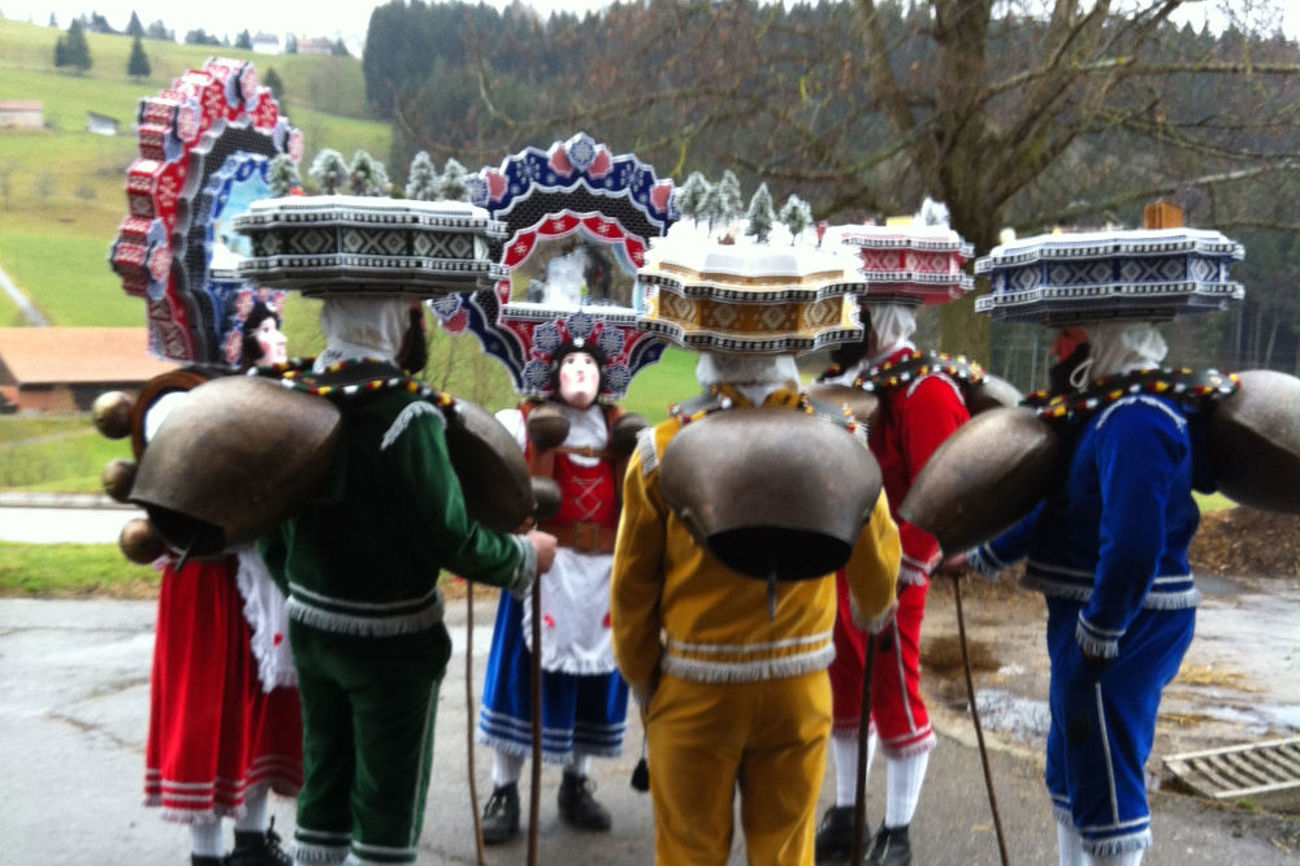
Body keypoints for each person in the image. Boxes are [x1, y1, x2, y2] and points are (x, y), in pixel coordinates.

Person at [257, 296, 557, 866]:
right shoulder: (408, 415)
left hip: (313, 629)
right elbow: (450, 537)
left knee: (324, 788)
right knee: (387, 804)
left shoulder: (295, 397)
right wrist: (522, 555)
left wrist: (300, 589)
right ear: (394, 322)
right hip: (390, 643)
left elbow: (268, 522)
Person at [611, 351, 902, 866]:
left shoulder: (661, 448)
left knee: (688, 850)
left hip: (695, 684)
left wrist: (642, 676)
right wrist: (873, 610)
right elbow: (877, 561)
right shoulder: (840, 438)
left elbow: (633, 585)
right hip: (799, 685)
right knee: (786, 850)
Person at [950, 320, 1220, 866]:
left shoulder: (1136, 418)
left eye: (1067, 334)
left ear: (1104, 336)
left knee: (1105, 775)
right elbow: (1060, 511)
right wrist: (979, 559)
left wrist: (1102, 628)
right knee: (1075, 763)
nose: (1054, 348)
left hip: (1126, 620)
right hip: (1101, 615)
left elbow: (1136, 543)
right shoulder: (1104, 410)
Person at [144, 302, 303, 866]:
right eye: (263, 329)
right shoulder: (181, 406)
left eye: (276, 326)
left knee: (264, 703)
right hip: (209, 584)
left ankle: (255, 840)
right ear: (234, 343)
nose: (278, 338)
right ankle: (206, 852)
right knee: (208, 711)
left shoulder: (288, 399)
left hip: (261, 577)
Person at [815, 303, 971, 866]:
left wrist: (903, 571)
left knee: (895, 693)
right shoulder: (841, 382)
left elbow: (941, 491)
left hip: (895, 567)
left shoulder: (926, 390)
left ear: (875, 317)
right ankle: (847, 810)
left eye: (849, 311)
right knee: (845, 688)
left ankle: (897, 828)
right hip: (837, 564)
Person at [477, 338, 636, 842]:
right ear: (553, 372)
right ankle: (505, 789)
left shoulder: (621, 430)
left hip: (603, 575)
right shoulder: (524, 423)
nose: (582, 371)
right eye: (571, 362)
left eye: (590, 363)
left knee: (593, 683)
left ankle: (576, 781)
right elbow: (492, 483)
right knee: (521, 681)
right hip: (542, 571)